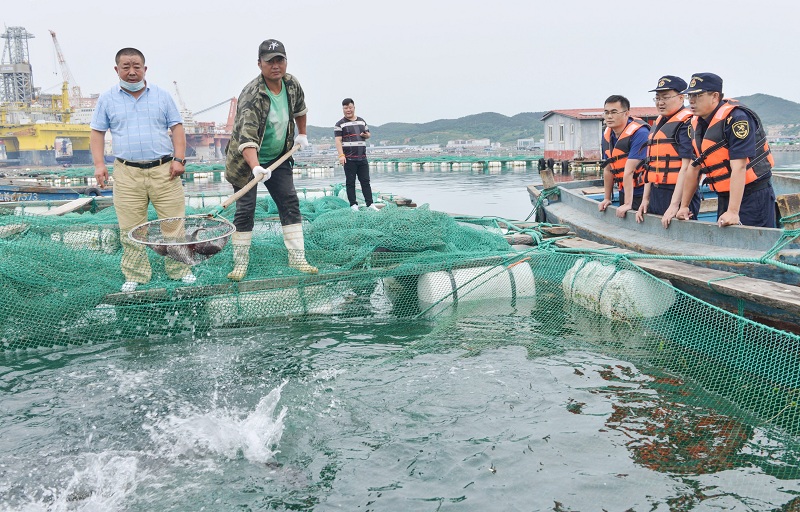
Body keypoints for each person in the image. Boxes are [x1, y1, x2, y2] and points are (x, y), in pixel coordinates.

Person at [90, 47, 195, 293]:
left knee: (173, 224)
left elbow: (177, 128)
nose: (131, 71)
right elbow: (97, 132)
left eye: (136, 66)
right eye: (125, 67)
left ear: (145, 69)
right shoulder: (107, 99)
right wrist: (99, 164)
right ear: (116, 69)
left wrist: (179, 159)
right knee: (131, 228)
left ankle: (180, 270)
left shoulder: (162, 96)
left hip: (164, 170)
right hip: (127, 173)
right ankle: (136, 274)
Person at [224, 39, 316, 281]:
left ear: (285, 61)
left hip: (279, 156)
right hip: (246, 163)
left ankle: (298, 258)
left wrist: (302, 134)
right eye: (269, 61)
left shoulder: (291, 84)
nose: (276, 66)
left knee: (289, 202)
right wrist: (256, 167)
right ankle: (240, 263)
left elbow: (300, 110)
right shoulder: (252, 95)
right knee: (246, 210)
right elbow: (246, 139)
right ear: (259, 64)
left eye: (279, 60)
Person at [676, 73, 776, 228]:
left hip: (753, 195)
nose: (692, 101)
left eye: (698, 95)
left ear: (715, 96)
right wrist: (684, 206)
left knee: (753, 241)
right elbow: (694, 166)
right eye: (690, 96)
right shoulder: (697, 123)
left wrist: (733, 211)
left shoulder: (737, 119)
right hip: (724, 195)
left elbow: (739, 166)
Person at [636, 75, 702, 227]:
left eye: (665, 97)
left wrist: (674, 205)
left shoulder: (687, 123)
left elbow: (687, 167)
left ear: (681, 98)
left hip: (678, 192)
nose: (660, 102)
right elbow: (650, 165)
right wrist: (645, 199)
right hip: (656, 191)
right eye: (657, 98)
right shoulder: (659, 123)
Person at [598, 95, 650, 218]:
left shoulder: (640, 133)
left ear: (626, 113)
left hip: (643, 192)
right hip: (624, 190)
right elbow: (608, 168)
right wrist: (607, 198)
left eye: (614, 112)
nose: (609, 116)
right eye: (606, 112)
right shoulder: (607, 134)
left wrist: (627, 204)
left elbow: (629, 171)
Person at [334, 98, 377, 211]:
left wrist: (366, 135)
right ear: (343, 109)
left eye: (350, 107)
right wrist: (341, 155)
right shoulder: (339, 124)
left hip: (362, 157)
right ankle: (353, 205)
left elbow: (368, 134)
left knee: (365, 182)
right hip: (349, 159)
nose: (348, 110)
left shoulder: (362, 121)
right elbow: (338, 140)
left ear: (354, 107)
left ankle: (370, 204)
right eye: (345, 108)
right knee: (350, 182)